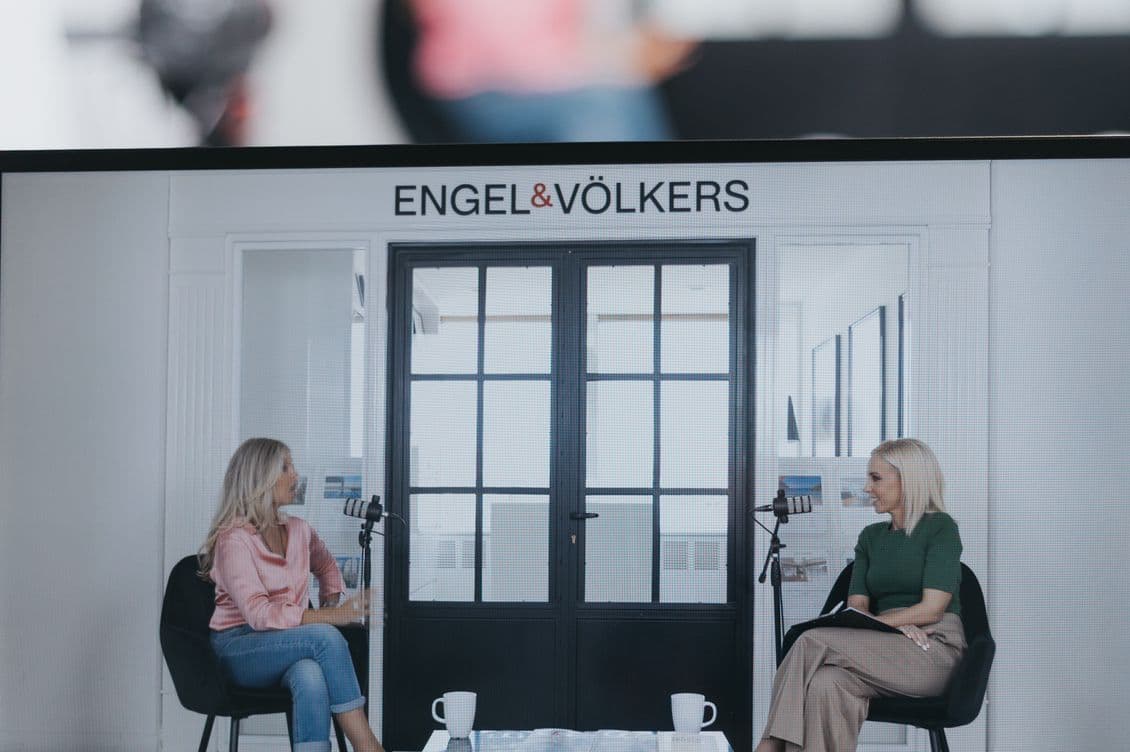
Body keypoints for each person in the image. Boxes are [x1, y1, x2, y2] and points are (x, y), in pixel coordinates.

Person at [756, 438, 966, 752]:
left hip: (932, 652)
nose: (867, 488)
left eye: (876, 478)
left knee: (811, 640)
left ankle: (769, 744)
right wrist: (889, 628)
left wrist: (886, 624)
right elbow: (856, 608)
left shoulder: (941, 528)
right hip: (882, 650)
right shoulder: (870, 537)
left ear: (908, 480)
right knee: (826, 684)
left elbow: (932, 609)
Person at [198, 438, 384, 752]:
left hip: (286, 641)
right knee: (325, 638)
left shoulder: (299, 530)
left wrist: (330, 598)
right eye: (285, 467)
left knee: (310, 675)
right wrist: (329, 616)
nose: (295, 476)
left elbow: (326, 565)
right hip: (239, 648)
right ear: (260, 478)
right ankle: (369, 747)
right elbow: (258, 615)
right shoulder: (234, 540)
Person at [406, 0, 696, 142]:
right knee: (605, 103)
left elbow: (568, 35)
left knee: (625, 93)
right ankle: (624, 230)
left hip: (544, 77)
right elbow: (508, 54)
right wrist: (622, 62)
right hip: (480, 90)